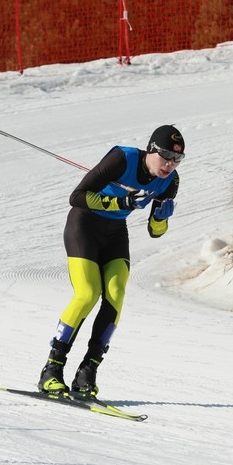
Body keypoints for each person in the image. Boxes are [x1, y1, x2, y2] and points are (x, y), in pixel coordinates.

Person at [38, 125, 185, 398]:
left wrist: (161, 218)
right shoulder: (122, 158)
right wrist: (122, 203)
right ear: (151, 150)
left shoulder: (170, 181)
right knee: (87, 293)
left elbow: (155, 232)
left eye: (177, 159)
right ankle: (52, 369)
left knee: (116, 294)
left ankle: (87, 371)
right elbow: (77, 197)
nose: (170, 164)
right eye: (165, 155)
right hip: (84, 226)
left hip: (115, 233)